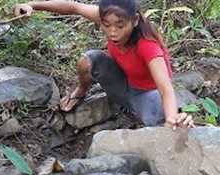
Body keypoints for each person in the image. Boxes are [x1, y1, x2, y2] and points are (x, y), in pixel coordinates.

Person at [13, 0, 195, 129]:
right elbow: (74, 7)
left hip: (148, 95)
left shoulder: (147, 46)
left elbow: (165, 88)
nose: (112, 32)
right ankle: (82, 91)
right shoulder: (110, 17)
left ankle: (146, 116)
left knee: (164, 122)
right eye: (106, 25)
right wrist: (32, 5)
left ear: (135, 20)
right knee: (89, 59)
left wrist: (172, 117)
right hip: (124, 83)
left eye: (120, 26)